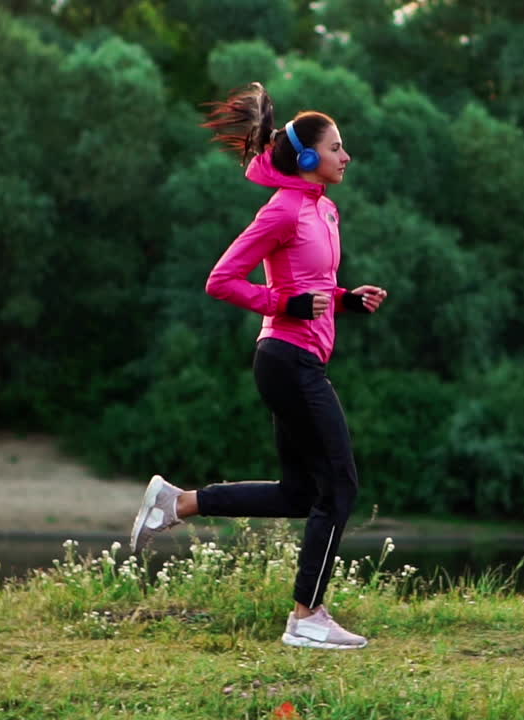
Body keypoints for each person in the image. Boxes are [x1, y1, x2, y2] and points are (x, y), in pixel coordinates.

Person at [129, 82, 387, 650]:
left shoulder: (325, 210)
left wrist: (345, 298)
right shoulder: (282, 210)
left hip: (301, 358)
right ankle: (307, 617)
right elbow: (221, 280)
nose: (348, 155)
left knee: (301, 493)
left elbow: (310, 283)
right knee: (339, 486)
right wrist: (284, 304)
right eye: (338, 147)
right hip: (287, 360)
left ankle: (180, 502)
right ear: (312, 156)